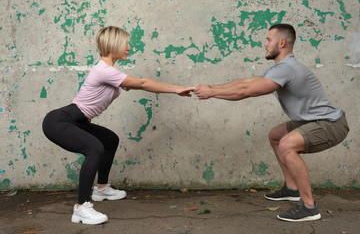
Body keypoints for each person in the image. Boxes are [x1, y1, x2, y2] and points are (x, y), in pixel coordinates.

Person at [193, 23, 349, 222]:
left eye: (268, 40)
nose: (264, 44)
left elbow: (245, 92)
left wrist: (212, 93)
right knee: (276, 136)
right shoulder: (281, 67)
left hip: (330, 124)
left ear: (281, 43)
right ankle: (292, 189)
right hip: (313, 121)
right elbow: (246, 83)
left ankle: (309, 206)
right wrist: (211, 87)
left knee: (287, 144)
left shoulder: (287, 68)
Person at [42, 26, 194, 225]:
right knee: (94, 148)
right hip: (59, 121)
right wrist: (177, 89)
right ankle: (81, 208)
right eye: (125, 44)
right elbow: (143, 83)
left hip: (76, 121)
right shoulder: (104, 71)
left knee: (109, 140)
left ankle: (102, 188)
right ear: (113, 45)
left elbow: (137, 84)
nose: (128, 48)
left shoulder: (110, 72)